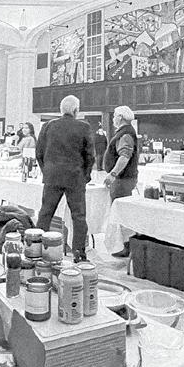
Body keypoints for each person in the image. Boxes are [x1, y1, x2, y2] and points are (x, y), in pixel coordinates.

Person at [35, 95, 95, 262]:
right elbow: (90, 156)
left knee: (45, 214)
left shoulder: (48, 126)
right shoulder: (84, 127)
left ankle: (37, 249)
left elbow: (39, 153)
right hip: (75, 177)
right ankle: (79, 253)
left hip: (52, 176)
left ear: (61, 110)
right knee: (78, 217)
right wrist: (85, 176)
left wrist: (46, 171)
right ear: (76, 110)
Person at [104, 106, 140, 258]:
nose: (113, 119)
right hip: (124, 179)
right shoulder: (126, 132)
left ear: (120, 117)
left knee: (122, 213)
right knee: (122, 212)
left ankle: (128, 246)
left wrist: (113, 174)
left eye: (114, 116)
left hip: (122, 180)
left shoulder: (125, 134)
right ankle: (127, 245)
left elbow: (124, 156)